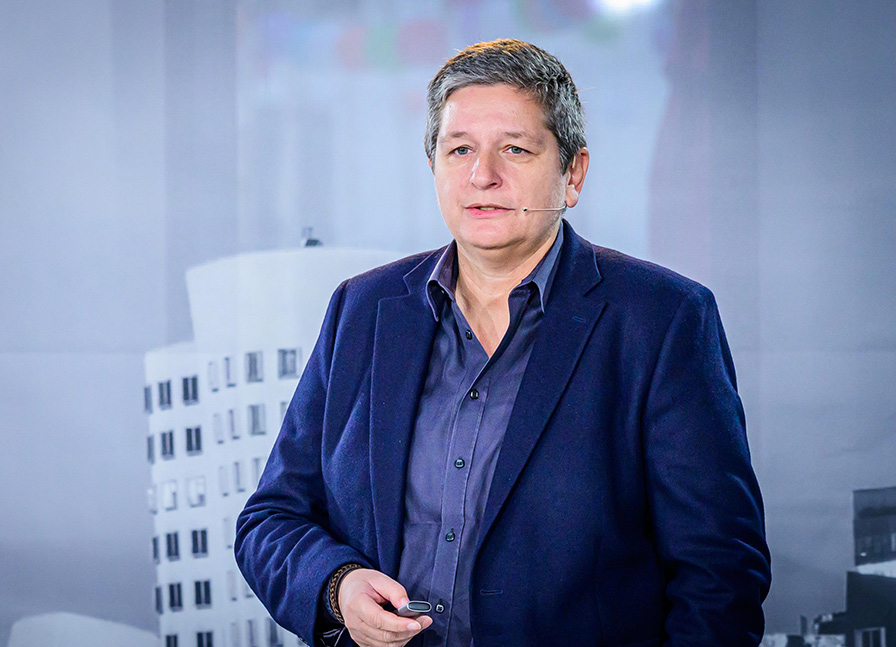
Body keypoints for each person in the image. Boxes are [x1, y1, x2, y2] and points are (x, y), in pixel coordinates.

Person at [235, 39, 771, 647]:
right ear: (434, 167)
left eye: (515, 149)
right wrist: (338, 585)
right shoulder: (362, 311)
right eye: (459, 149)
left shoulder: (662, 319)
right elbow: (271, 519)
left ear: (573, 173)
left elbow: (719, 574)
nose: (481, 175)